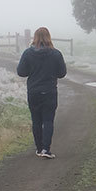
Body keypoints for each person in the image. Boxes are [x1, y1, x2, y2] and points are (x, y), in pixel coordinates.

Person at [17, 27, 67, 159]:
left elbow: (21, 72)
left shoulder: (28, 53)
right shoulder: (56, 54)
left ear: (35, 38)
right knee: (48, 120)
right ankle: (46, 149)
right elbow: (62, 73)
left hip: (33, 92)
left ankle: (39, 149)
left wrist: (32, 70)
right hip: (49, 91)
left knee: (36, 121)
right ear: (49, 37)